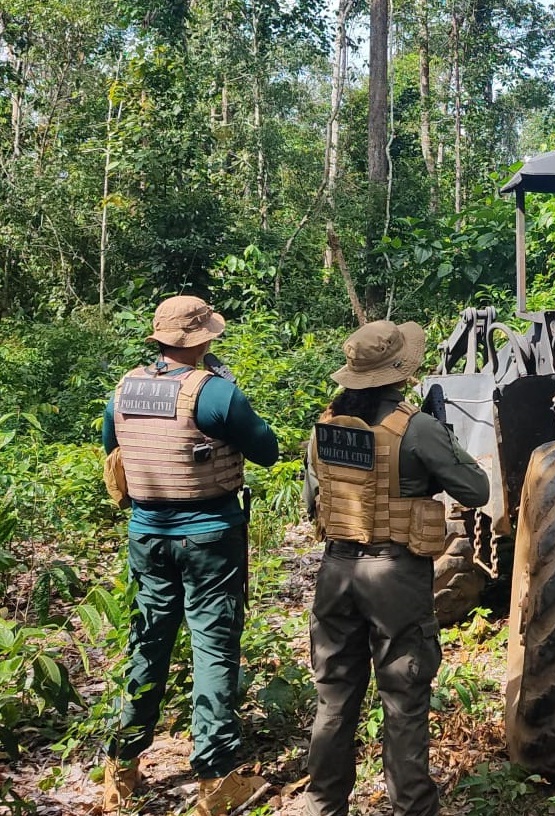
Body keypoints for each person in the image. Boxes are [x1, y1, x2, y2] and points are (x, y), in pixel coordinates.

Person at [100, 295, 280, 815]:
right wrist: (234, 395)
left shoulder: (125, 390)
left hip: (146, 534)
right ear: (203, 338)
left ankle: (121, 770)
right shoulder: (217, 392)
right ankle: (218, 778)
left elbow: (116, 452)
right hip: (210, 537)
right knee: (213, 646)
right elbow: (266, 450)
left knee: (147, 641)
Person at [302, 320, 489, 816]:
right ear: (400, 372)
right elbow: (478, 491)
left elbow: (312, 501)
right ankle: (412, 807)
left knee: (333, 698)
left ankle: (323, 804)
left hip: (336, 571)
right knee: (404, 699)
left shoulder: (326, 427)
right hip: (395, 575)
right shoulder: (416, 428)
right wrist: (439, 447)